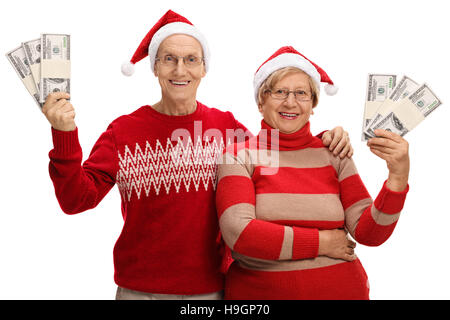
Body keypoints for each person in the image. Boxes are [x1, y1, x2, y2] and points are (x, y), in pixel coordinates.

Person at [41, 11, 354, 300]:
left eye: (191, 59)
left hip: (208, 291)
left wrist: (325, 139)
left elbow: (283, 162)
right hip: (138, 291)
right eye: (169, 59)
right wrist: (64, 134)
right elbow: (76, 200)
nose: (180, 69)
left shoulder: (228, 128)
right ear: (155, 67)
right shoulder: (123, 131)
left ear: (204, 68)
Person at [216, 46, 410, 300]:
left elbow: (368, 234)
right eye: (280, 92)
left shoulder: (334, 154)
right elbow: (240, 234)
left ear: (313, 103)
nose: (291, 102)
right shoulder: (239, 156)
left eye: (301, 93)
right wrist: (325, 243)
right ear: (261, 101)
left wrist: (397, 179)